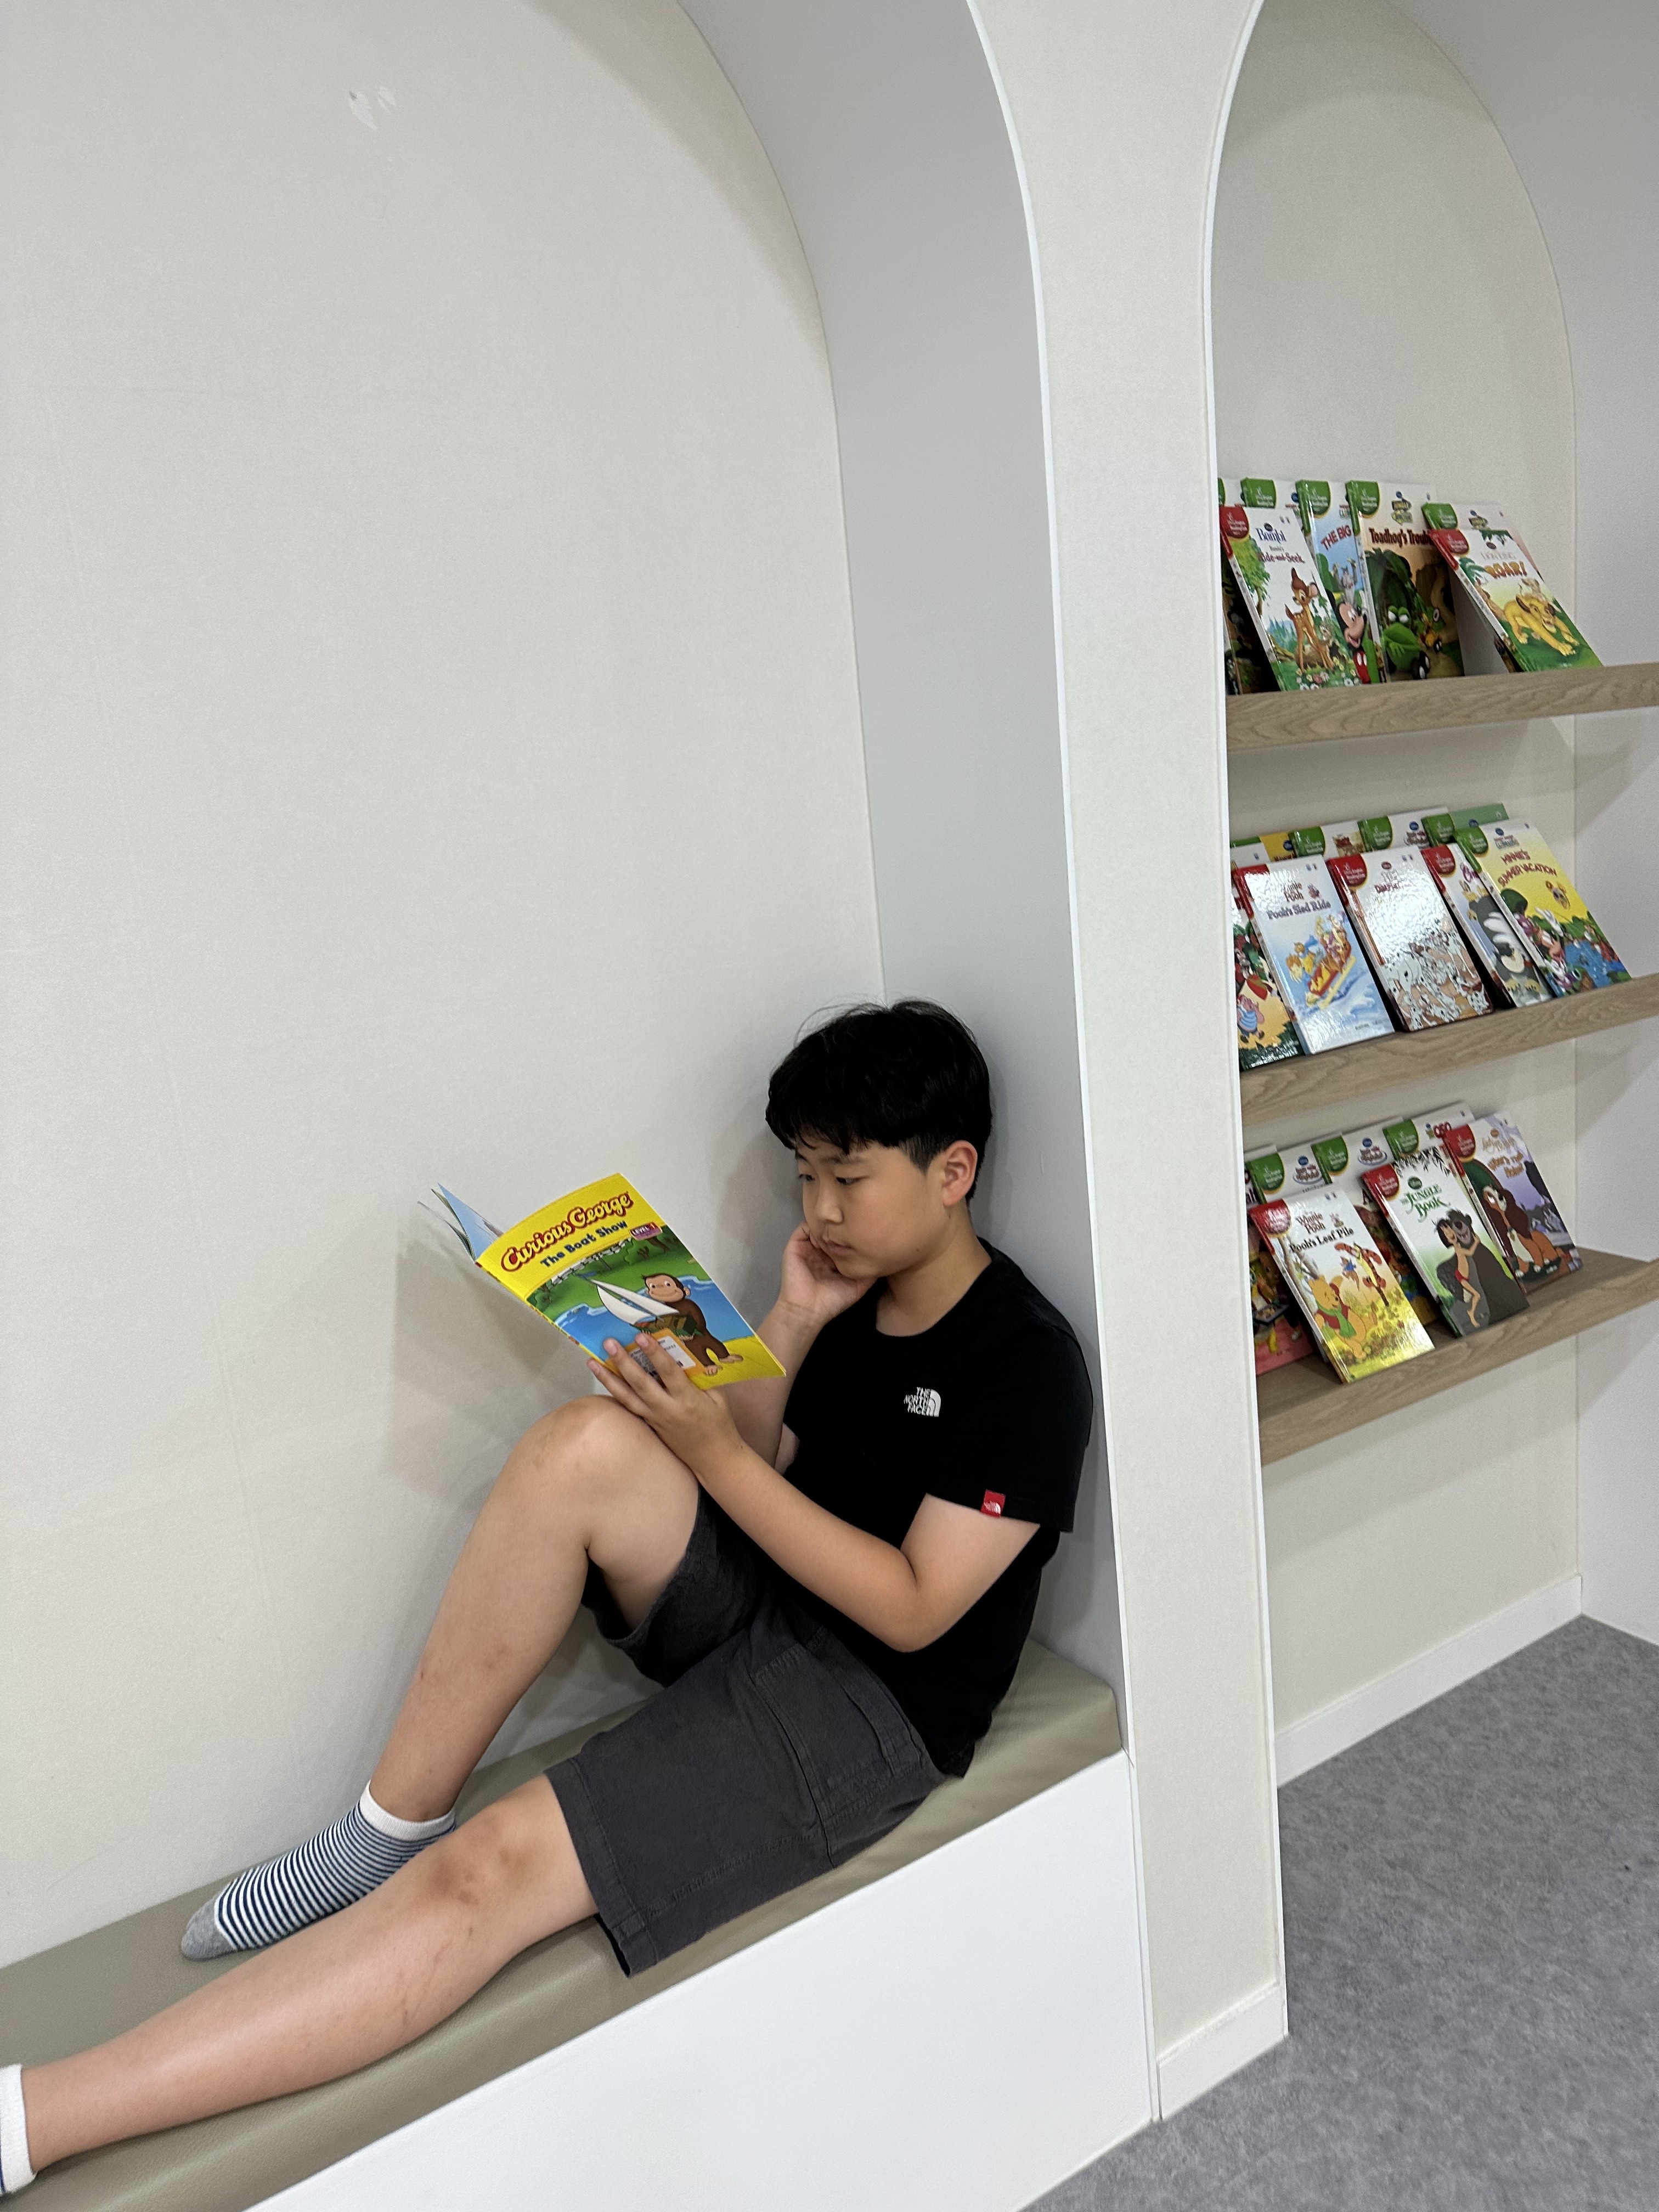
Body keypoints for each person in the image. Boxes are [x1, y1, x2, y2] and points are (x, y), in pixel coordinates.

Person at [0, 1001, 1091, 2196]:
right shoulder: (853, 1296)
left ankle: (32, 2119)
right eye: (804, 1176)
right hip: (775, 1604)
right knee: (581, 1446)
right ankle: (387, 1827)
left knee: (494, 1868)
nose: (818, 1210)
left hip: (870, 1706)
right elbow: (766, 1468)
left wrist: (711, 1454)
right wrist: (788, 1321)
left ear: (953, 1172)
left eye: (847, 1177)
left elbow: (915, 1608)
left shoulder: (1025, 1362)